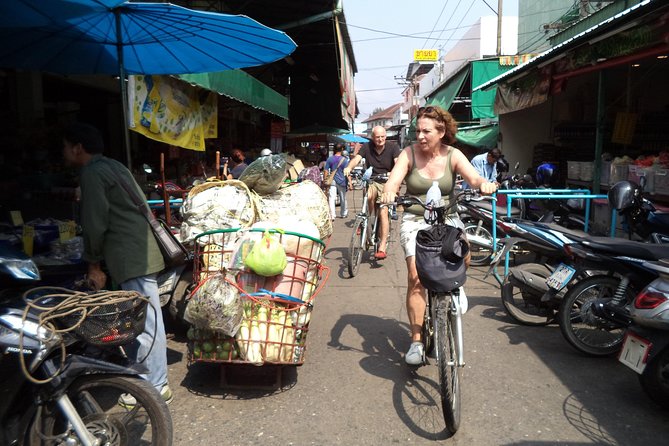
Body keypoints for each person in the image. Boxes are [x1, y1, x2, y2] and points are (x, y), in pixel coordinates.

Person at [62, 122, 172, 404]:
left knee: (147, 322)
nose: (64, 152)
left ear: (77, 148)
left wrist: (93, 263)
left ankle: (154, 386)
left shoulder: (92, 173)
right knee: (144, 319)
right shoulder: (113, 166)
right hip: (138, 250)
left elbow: (94, 222)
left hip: (130, 254)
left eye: (65, 146)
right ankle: (149, 379)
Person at [380, 106, 497, 366]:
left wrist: (483, 185)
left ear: (441, 131)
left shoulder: (453, 155)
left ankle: (457, 287)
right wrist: (389, 191)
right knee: (416, 277)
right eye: (417, 130)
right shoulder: (408, 153)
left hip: (448, 217)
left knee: (464, 255)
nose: (420, 136)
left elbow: (474, 178)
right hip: (415, 219)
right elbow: (393, 180)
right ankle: (417, 341)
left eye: (426, 131)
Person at [343, 126, 401, 260]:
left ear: (385, 136)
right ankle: (366, 223)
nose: (380, 139)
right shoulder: (366, 147)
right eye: (377, 137)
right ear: (373, 137)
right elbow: (356, 159)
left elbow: (398, 165)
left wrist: (393, 174)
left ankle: (382, 245)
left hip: (386, 182)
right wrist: (349, 167)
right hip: (372, 181)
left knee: (383, 211)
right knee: (368, 197)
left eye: (382, 137)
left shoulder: (393, 147)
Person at [324, 143, 350, 220]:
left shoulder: (330, 159)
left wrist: (325, 180)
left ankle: (332, 215)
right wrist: (350, 183)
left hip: (332, 180)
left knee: (332, 198)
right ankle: (343, 213)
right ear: (342, 149)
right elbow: (347, 172)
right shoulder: (345, 160)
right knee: (343, 197)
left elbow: (326, 171)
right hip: (342, 181)